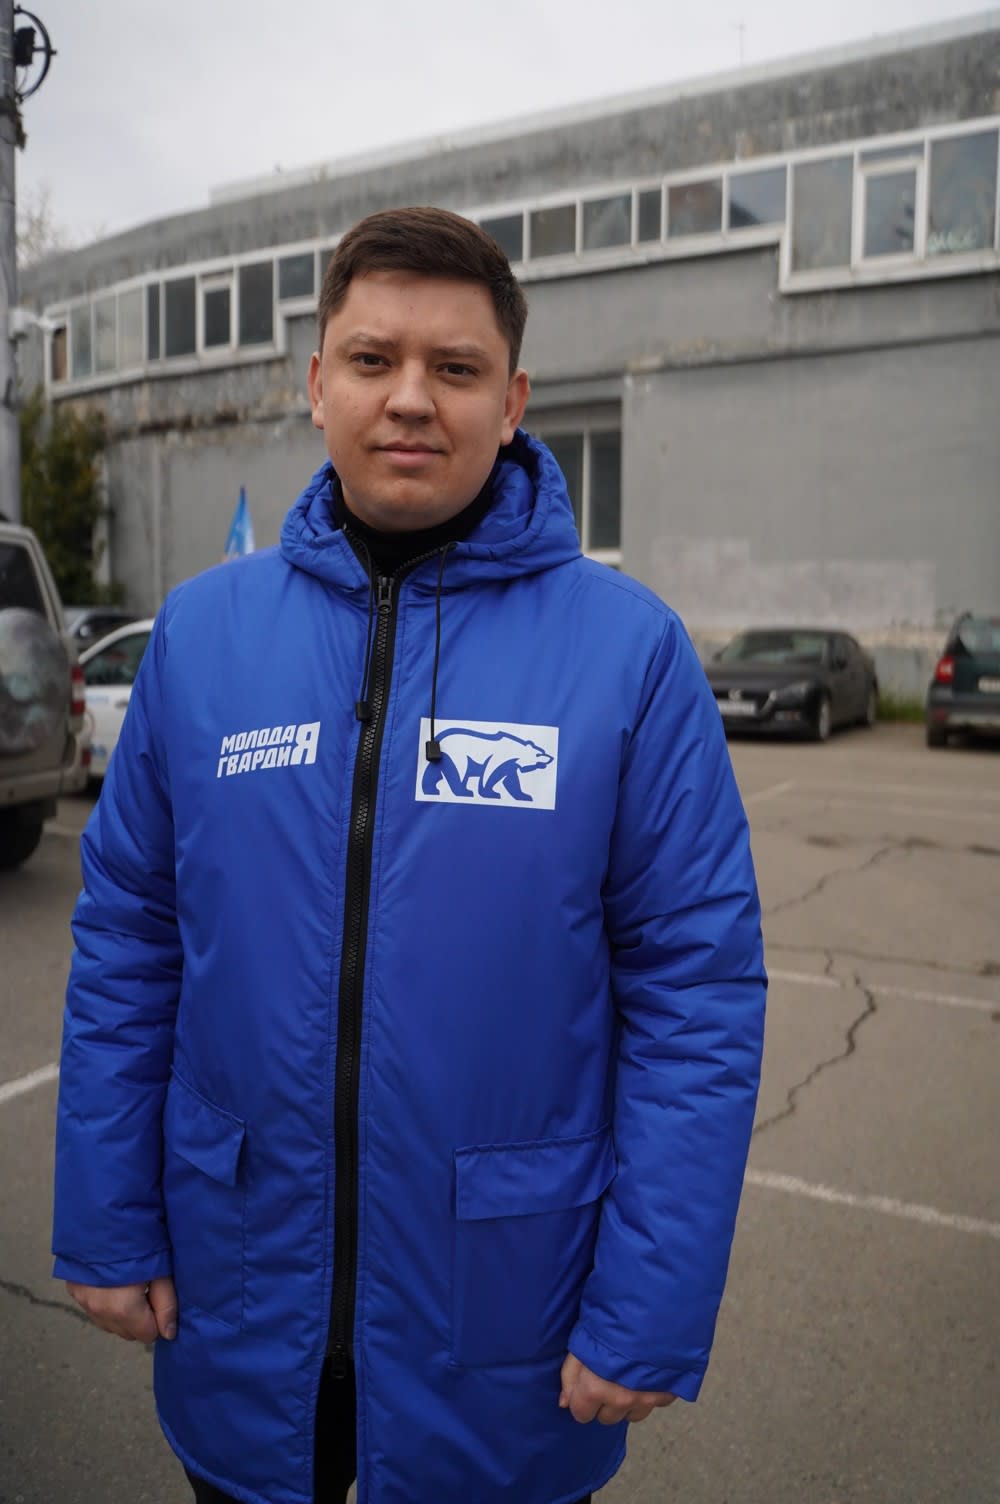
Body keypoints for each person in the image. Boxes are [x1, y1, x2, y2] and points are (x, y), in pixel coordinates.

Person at [52, 206, 767, 1504]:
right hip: (239, 1308)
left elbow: (697, 994)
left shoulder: (628, 655)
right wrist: (106, 1216)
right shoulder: (204, 639)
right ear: (316, 382)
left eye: (457, 367)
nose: (411, 399)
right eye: (373, 359)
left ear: (515, 400)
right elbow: (129, 939)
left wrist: (651, 1305)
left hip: (507, 1335)